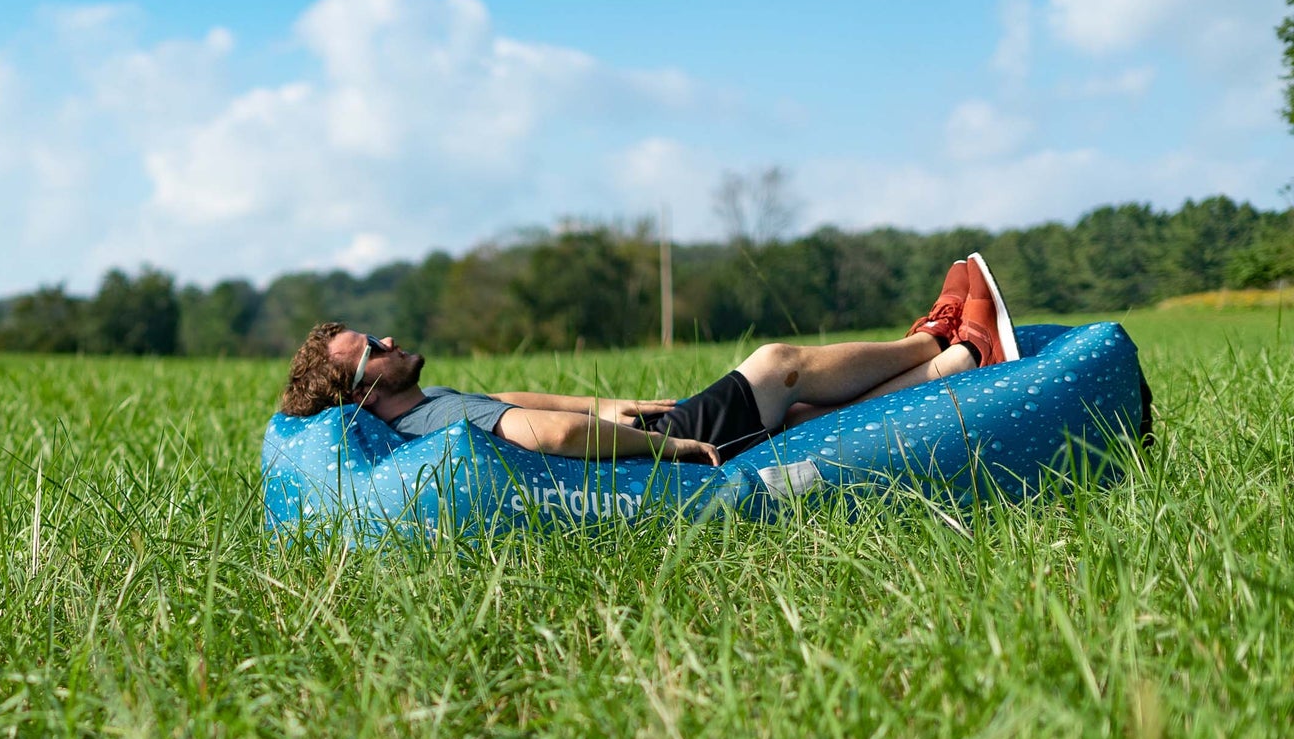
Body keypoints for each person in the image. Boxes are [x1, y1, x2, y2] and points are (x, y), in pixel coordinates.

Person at [278, 253, 1020, 466]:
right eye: (369, 353)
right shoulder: (433, 425)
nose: (385, 342)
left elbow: (520, 402)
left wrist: (603, 405)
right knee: (776, 363)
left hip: (640, 438)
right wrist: (667, 447)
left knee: (797, 412)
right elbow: (551, 437)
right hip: (658, 456)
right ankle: (946, 342)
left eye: (373, 335)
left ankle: (952, 370)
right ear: (359, 398)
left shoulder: (428, 404)